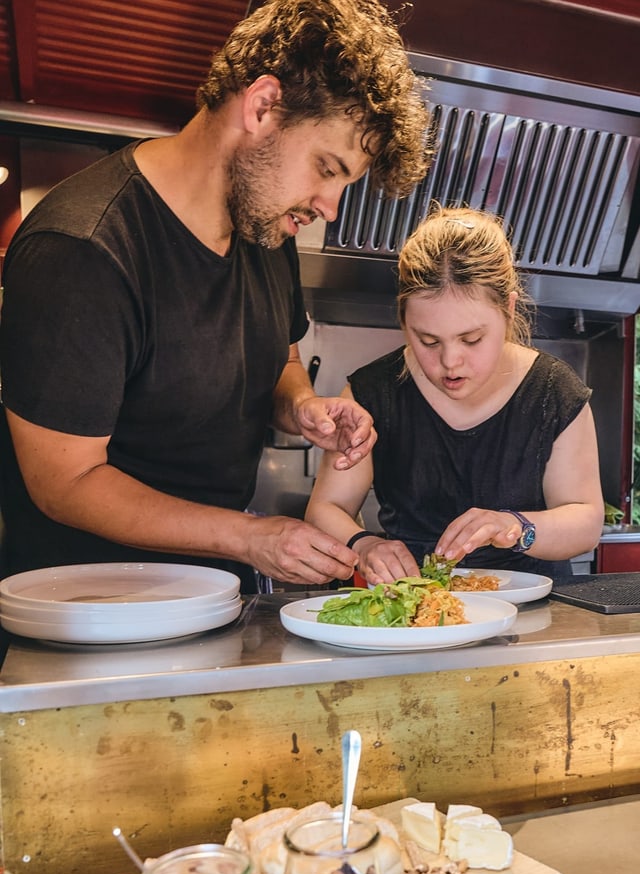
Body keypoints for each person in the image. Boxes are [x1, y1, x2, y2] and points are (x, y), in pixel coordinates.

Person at [0, 0, 431, 593]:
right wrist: (249, 536)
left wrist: (301, 407)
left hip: (213, 599)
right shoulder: (85, 248)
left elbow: (277, 355)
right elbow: (65, 483)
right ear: (261, 106)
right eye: (326, 168)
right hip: (84, 612)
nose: (328, 207)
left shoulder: (262, 230)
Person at [305, 205, 604, 584]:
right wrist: (363, 544)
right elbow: (325, 507)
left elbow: (585, 520)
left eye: (472, 339)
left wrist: (513, 526)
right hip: (413, 613)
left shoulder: (554, 393)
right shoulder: (371, 393)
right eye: (428, 340)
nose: (450, 362)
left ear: (509, 310)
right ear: (403, 321)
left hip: (534, 615)